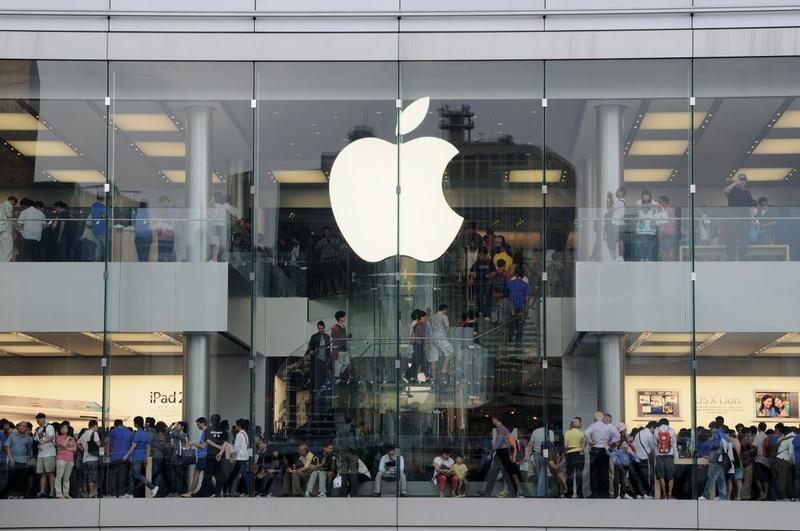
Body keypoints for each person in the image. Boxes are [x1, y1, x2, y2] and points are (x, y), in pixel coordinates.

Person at [584, 411, 619, 498]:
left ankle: (595, 493)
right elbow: (617, 435)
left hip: (595, 449)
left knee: (594, 472)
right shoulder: (608, 426)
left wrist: (590, 441)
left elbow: (586, 433)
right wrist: (611, 443)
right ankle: (604, 493)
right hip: (605, 449)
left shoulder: (594, 425)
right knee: (604, 471)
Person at [122, 416, 158, 498]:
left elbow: (133, 446)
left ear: (136, 424)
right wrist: (146, 458)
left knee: (137, 475)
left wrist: (126, 455)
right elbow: (148, 447)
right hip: (141, 457)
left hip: (136, 457)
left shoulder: (138, 433)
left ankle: (152, 487)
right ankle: (130, 493)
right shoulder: (145, 433)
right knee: (131, 475)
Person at [723, 173, 754, 261]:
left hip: (744, 220)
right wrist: (736, 183)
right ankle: (731, 259)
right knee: (731, 240)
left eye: (744, 180)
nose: (742, 181)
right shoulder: (732, 190)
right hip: (733, 219)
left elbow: (751, 205)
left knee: (744, 240)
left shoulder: (747, 192)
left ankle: (743, 257)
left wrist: (752, 217)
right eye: (741, 179)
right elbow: (725, 190)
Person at [195, 414, 227, 498]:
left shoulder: (208, 430)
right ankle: (217, 493)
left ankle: (204, 492)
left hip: (210, 454)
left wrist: (217, 447)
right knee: (218, 475)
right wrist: (220, 452)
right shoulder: (223, 431)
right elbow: (225, 443)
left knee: (208, 475)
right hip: (219, 455)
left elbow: (208, 441)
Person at [635, 190, 666, 261]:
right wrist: (645, 206)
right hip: (642, 228)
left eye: (647, 195)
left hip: (651, 227)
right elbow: (636, 206)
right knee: (642, 243)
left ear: (650, 196)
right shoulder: (639, 202)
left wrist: (652, 205)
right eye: (644, 195)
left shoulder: (653, 202)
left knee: (650, 244)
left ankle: (648, 257)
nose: (646, 196)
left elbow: (661, 207)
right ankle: (642, 257)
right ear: (642, 196)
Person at [5, 421, 32, 498]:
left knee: (21, 478)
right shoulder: (12, 435)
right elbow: (7, 447)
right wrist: (10, 458)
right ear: (18, 427)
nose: (23, 427)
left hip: (23, 460)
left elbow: (29, 450)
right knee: (12, 476)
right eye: (22, 426)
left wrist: (28, 461)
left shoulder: (28, 438)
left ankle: (20, 493)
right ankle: (11, 493)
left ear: (26, 428)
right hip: (13, 460)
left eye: (25, 426)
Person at [32, 412, 56, 498]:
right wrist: (38, 444)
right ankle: (42, 491)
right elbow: (36, 440)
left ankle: (52, 491)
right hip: (41, 454)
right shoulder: (39, 429)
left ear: (43, 418)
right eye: (37, 420)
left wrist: (43, 442)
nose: (38, 421)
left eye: (39, 419)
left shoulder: (49, 427)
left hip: (49, 453)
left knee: (50, 473)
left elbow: (51, 436)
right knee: (42, 473)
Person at [428, 304, 454, 381]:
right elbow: (447, 328)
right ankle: (444, 369)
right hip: (441, 337)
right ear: (445, 309)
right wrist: (448, 336)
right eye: (447, 310)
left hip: (433, 337)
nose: (447, 312)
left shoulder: (433, 316)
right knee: (450, 352)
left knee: (434, 357)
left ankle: (433, 376)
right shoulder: (444, 316)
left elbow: (429, 327)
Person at [336, 417, 360, 497]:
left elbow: (337, 441)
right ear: (351, 420)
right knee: (354, 472)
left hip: (343, 452)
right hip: (352, 452)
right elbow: (357, 439)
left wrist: (338, 451)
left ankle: (343, 492)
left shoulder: (340, 428)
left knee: (344, 472)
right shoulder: (353, 427)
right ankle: (353, 492)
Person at [76, 420, 100, 498]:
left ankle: (86, 493)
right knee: (92, 477)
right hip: (93, 458)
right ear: (95, 425)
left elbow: (77, 443)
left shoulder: (84, 434)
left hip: (85, 459)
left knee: (85, 477)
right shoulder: (94, 433)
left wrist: (82, 449)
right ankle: (91, 493)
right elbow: (98, 444)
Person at [632, 421, 657, 498]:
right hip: (646, 457)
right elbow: (653, 448)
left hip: (637, 458)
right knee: (648, 476)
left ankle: (640, 493)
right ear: (652, 427)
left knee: (639, 476)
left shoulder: (638, 433)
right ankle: (647, 493)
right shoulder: (650, 435)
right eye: (655, 429)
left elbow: (634, 445)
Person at [654, 418, 677, 499]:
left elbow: (655, 444)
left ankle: (664, 494)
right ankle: (670, 494)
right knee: (671, 476)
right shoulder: (672, 430)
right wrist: (676, 456)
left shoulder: (656, 431)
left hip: (659, 456)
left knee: (661, 476)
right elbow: (674, 444)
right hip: (669, 456)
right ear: (668, 423)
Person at [507, 267, 530, 348]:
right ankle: (518, 342)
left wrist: (511, 308)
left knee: (511, 323)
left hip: (512, 307)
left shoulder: (510, 283)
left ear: (515, 274)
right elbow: (527, 298)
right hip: (521, 307)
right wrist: (527, 307)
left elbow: (508, 296)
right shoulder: (525, 285)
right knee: (520, 325)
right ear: (523, 275)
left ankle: (510, 339)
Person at [470, 247, 496, 318]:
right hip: (479, 283)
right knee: (479, 298)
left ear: (485, 254)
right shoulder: (477, 262)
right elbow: (471, 271)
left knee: (488, 299)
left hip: (487, 283)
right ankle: (480, 311)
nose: (480, 256)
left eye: (481, 255)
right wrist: (472, 278)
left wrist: (489, 275)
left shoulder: (490, 262)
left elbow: (494, 272)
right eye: (479, 255)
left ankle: (487, 314)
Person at [564, 417, 586, 498]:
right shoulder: (582, 433)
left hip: (570, 453)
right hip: (579, 454)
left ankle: (569, 493)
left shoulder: (567, 432)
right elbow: (583, 446)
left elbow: (565, 445)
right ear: (579, 424)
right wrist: (581, 450)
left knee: (570, 474)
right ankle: (579, 494)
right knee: (579, 474)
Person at [229, 418, 251, 497]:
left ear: (239, 426)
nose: (236, 427)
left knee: (236, 475)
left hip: (240, 458)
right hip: (245, 458)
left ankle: (232, 492)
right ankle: (249, 490)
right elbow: (248, 446)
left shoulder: (239, 435)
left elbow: (236, 448)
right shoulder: (245, 434)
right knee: (244, 475)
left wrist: (232, 458)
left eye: (236, 425)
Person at [53, 421, 76, 498]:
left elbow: (75, 449)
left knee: (67, 478)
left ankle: (66, 493)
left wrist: (67, 448)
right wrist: (68, 440)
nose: (63, 429)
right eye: (62, 428)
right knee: (59, 477)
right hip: (61, 459)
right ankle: (59, 494)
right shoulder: (58, 438)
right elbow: (63, 445)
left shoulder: (72, 438)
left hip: (70, 459)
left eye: (65, 428)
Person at [605, 187, 627, 261]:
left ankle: (620, 256)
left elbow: (609, 208)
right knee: (619, 240)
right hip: (619, 223)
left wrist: (609, 198)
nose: (616, 193)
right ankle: (620, 256)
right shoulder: (620, 202)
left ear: (622, 192)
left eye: (618, 191)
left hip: (618, 223)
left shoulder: (620, 202)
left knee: (620, 240)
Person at [774, 424, 795, 501]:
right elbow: (791, 451)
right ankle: (785, 495)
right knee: (787, 479)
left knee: (782, 478)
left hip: (781, 459)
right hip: (786, 460)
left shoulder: (782, 438)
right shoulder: (791, 438)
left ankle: (783, 495)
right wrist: (793, 462)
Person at [330, 310, 351, 383]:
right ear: (340, 318)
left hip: (344, 348)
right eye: (343, 316)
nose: (345, 318)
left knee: (347, 362)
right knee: (339, 364)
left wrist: (347, 339)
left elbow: (343, 337)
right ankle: (337, 377)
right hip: (339, 349)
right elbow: (334, 337)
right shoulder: (335, 327)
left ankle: (340, 374)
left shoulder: (343, 327)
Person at [753, 421, 771, 500]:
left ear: (758, 428)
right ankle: (766, 494)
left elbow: (755, 447)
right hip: (767, 459)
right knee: (766, 477)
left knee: (757, 477)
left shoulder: (758, 436)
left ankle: (761, 492)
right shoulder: (767, 436)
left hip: (759, 459)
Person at [156, 195, 176, 261]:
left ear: (166, 201)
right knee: (162, 256)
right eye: (160, 204)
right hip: (162, 236)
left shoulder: (172, 209)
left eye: (162, 203)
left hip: (169, 236)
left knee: (167, 255)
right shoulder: (163, 210)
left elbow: (171, 221)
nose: (161, 205)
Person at [657, 195, 676, 260]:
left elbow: (663, 222)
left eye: (661, 202)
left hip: (665, 231)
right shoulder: (670, 208)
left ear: (665, 201)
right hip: (671, 231)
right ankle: (670, 264)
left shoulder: (665, 209)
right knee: (670, 248)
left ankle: (665, 263)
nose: (660, 203)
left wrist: (660, 232)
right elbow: (673, 220)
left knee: (664, 248)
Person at [90, 194, 107, 262]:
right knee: (107, 247)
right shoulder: (102, 207)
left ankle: (97, 261)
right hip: (102, 230)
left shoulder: (93, 206)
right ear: (103, 199)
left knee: (98, 246)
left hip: (95, 230)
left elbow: (98, 217)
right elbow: (107, 216)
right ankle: (107, 262)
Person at [0, 195, 16, 261]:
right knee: (8, 246)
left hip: (1, 228)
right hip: (6, 229)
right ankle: (5, 262)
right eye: (14, 204)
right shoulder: (8, 204)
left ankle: (1, 261)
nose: (13, 205)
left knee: (2, 246)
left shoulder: (1, 204)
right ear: (12, 201)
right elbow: (9, 215)